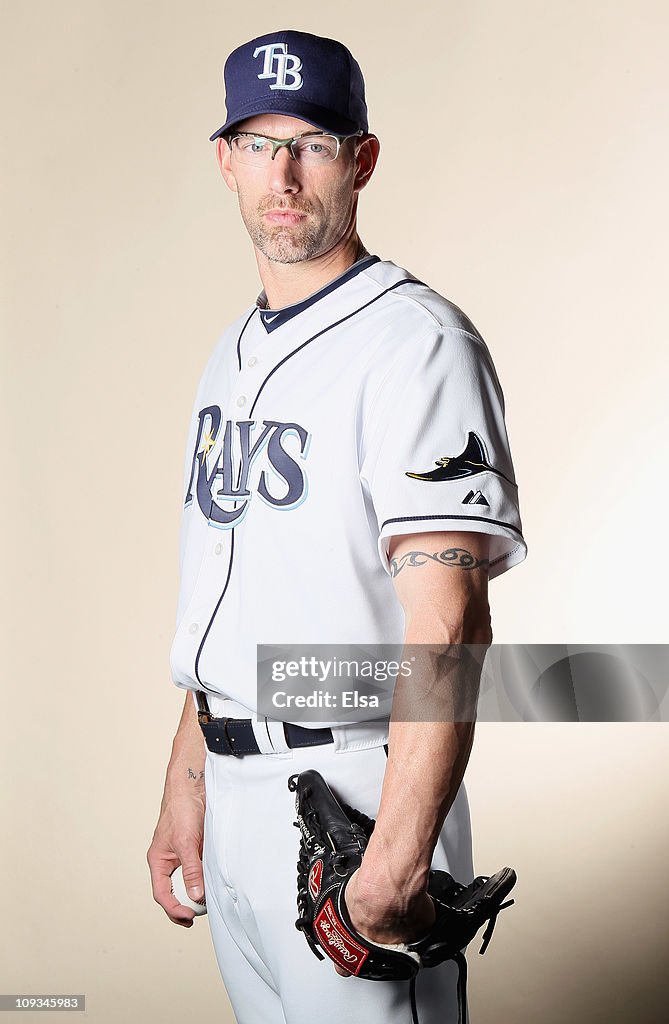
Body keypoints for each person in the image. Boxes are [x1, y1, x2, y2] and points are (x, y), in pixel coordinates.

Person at [147, 28, 527, 1024]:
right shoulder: (229, 353)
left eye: (312, 141)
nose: (284, 169)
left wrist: (396, 860)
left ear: (360, 159)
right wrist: (188, 782)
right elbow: (235, 593)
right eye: (259, 140)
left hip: (356, 793)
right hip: (234, 797)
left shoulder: (419, 345)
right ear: (224, 160)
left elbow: (448, 625)